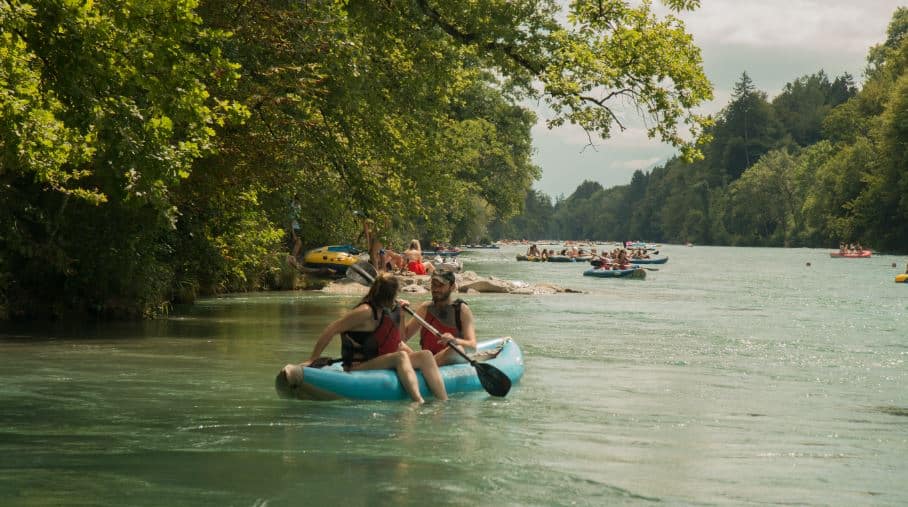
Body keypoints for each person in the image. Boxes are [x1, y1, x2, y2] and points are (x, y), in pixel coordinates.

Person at [280, 272, 447, 403]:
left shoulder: (386, 308)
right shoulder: (365, 312)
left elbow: (399, 338)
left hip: (378, 360)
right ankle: (417, 401)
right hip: (358, 365)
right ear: (388, 295)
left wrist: (401, 314)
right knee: (401, 356)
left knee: (425, 355)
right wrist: (313, 359)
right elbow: (331, 330)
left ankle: (443, 400)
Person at [403, 270, 477, 366]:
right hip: (427, 358)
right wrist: (400, 314)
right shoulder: (425, 308)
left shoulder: (462, 310)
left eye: (441, 286)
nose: (436, 289)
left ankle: (423, 364)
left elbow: (472, 346)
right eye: (434, 285)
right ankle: (424, 364)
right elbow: (403, 337)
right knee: (399, 345)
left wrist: (454, 340)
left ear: (452, 287)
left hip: (448, 358)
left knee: (457, 349)